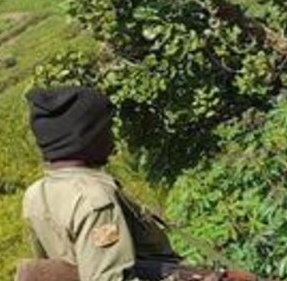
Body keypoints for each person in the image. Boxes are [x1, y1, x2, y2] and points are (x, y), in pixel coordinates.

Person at [19, 87, 181, 281]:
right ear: (87, 136)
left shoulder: (36, 193)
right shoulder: (95, 199)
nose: (113, 138)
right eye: (106, 128)